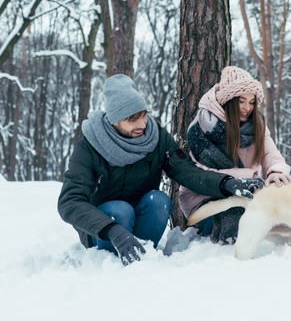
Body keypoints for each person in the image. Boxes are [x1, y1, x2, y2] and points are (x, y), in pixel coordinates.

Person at [57, 74, 265, 265]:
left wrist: (227, 183)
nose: (142, 124)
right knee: (120, 210)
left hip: (141, 216)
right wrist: (112, 230)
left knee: (159, 200)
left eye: (144, 115)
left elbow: (187, 171)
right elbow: (69, 202)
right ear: (114, 120)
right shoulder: (90, 147)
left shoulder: (155, 138)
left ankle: (144, 257)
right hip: (104, 229)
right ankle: (112, 263)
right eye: (132, 119)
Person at [179, 66, 291, 244]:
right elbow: (201, 174)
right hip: (205, 201)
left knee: (286, 213)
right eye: (241, 101)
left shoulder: (257, 125)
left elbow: (273, 156)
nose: (247, 107)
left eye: (252, 102)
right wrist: (247, 178)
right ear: (228, 100)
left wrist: (276, 172)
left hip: (246, 195)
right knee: (241, 218)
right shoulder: (203, 127)